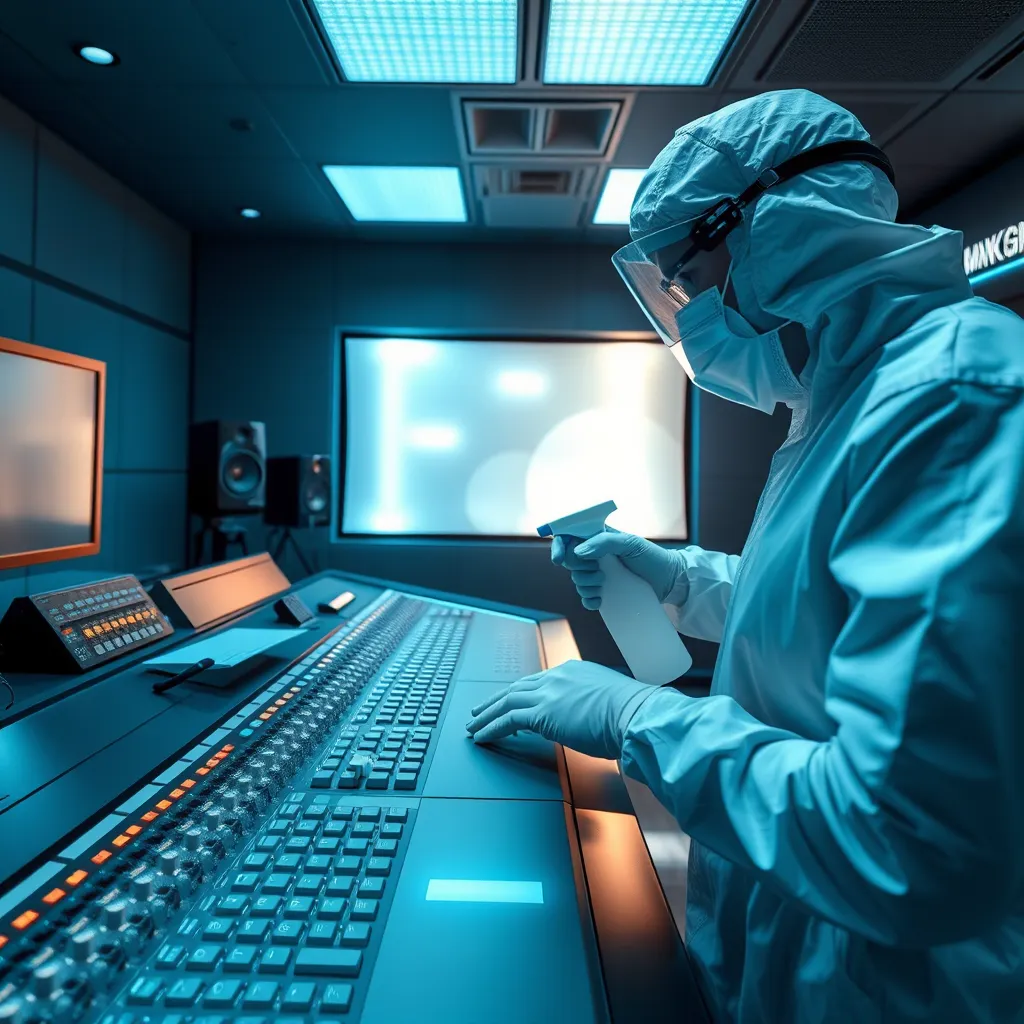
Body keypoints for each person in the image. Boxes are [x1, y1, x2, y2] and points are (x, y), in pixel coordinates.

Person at [467, 89, 1024, 1022]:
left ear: (770, 223)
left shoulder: (954, 395)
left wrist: (639, 717)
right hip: (794, 953)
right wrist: (678, 578)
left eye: (687, 271)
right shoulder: (850, 393)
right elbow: (832, 618)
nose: (686, 313)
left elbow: (910, 846)